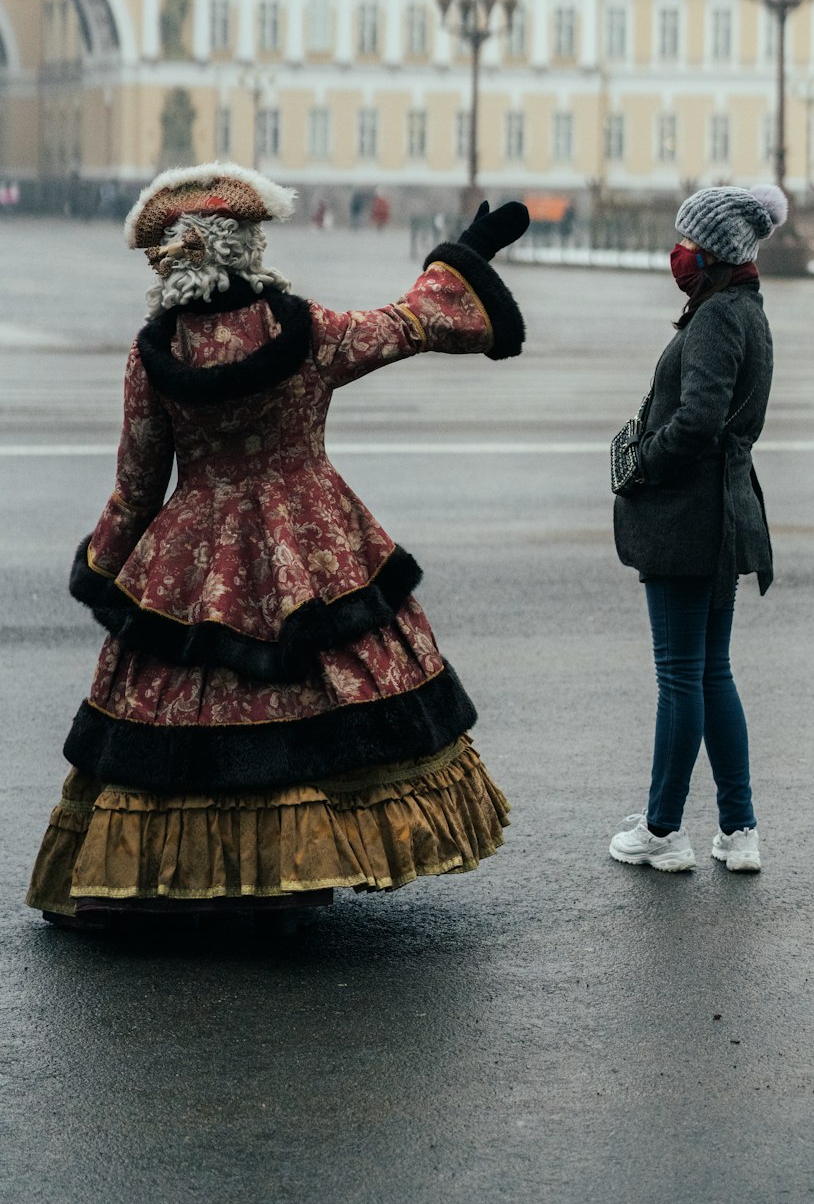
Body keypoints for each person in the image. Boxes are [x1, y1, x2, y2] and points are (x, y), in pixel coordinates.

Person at [26, 161, 529, 930]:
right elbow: (407, 324)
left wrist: (104, 568)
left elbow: (135, 488)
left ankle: (161, 875)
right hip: (314, 538)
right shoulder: (309, 329)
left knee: (186, 707)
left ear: (180, 256)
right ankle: (299, 869)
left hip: (195, 553)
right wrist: (460, 257)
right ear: (247, 246)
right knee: (316, 692)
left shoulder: (153, 355)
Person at [608, 184, 785, 875]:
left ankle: (662, 829)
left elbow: (699, 419)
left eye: (688, 241)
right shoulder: (748, 310)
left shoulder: (716, 318)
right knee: (711, 672)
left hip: (689, 517)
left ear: (711, 251)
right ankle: (738, 830)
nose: (677, 252)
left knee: (679, 676)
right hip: (725, 512)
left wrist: (641, 463)